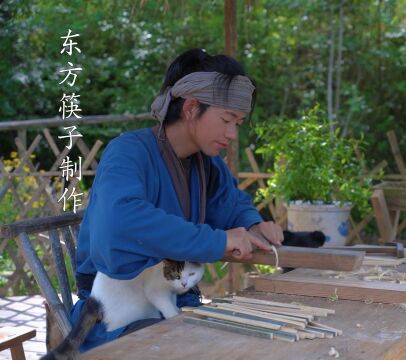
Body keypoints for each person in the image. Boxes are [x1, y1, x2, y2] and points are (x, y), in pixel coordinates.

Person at [69, 48, 283, 351]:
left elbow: (232, 204)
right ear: (192, 107)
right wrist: (218, 241)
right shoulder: (128, 152)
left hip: (174, 303)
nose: (233, 133)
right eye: (227, 119)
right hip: (116, 317)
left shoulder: (207, 164)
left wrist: (253, 225)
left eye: (238, 123)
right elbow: (121, 222)